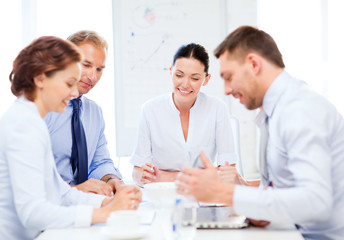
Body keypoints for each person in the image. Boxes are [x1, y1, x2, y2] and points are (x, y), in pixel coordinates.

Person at [176, 25, 344, 239]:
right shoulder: (274, 111)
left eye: (228, 77)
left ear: (254, 64)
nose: (226, 90)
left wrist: (224, 193)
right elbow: (283, 192)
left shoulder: (299, 110)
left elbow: (316, 202)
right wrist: (251, 200)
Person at [0, 36, 142, 240]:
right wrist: (103, 213)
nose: (74, 92)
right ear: (40, 79)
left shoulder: (31, 121)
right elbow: (33, 213)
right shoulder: (23, 126)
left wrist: (108, 203)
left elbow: (59, 192)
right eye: (68, 83)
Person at [131, 43, 237, 186]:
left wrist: (163, 176)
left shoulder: (217, 108)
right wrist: (206, 175)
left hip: (203, 195)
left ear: (206, 79)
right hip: (162, 194)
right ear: (170, 72)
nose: (185, 84)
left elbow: (228, 172)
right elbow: (138, 172)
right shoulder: (150, 110)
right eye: (179, 75)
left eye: (194, 78)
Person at [45, 30, 126, 196]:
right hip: (48, 208)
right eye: (86, 65)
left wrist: (111, 180)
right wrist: (74, 191)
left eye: (99, 69)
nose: (92, 77)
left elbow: (99, 162)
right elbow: (28, 180)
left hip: (82, 208)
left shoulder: (94, 112)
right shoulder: (43, 109)